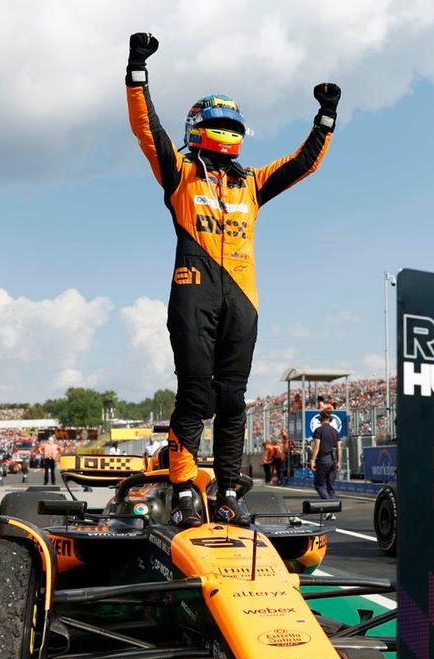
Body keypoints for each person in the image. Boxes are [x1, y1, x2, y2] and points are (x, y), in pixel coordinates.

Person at [125, 32, 340, 527]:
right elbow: (146, 128)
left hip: (244, 299)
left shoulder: (252, 182)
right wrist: (138, 68)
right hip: (193, 290)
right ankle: (182, 485)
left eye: (231, 124)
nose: (226, 130)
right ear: (199, 128)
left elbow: (301, 163)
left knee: (232, 400)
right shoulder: (180, 172)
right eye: (218, 123)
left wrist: (325, 117)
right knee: (196, 394)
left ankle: (225, 489)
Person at [309, 412, 342, 517]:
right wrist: (338, 461)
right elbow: (339, 448)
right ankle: (331, 512)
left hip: (323, 460)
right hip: (332, 460)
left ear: (321, 418)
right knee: (331, 487)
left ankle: (329, 508)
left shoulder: (318, 430)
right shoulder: (335, 431)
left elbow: (317, 446)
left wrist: (313, 460)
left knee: (319, 485)